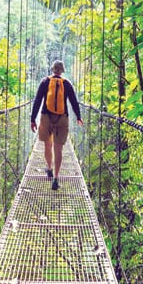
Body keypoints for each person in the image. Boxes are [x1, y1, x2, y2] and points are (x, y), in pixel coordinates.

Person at [30, 60, 83, 190]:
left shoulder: (45, 82)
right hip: (62, 118)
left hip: (46, 117)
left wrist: (33, 119)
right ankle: (56, 178)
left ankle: (49, 168)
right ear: (62, 71)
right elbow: (74, 102)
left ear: (53, 70)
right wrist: (78, 116)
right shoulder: (67, 84)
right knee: (58, 149)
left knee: (48, 144)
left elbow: (37, 100)